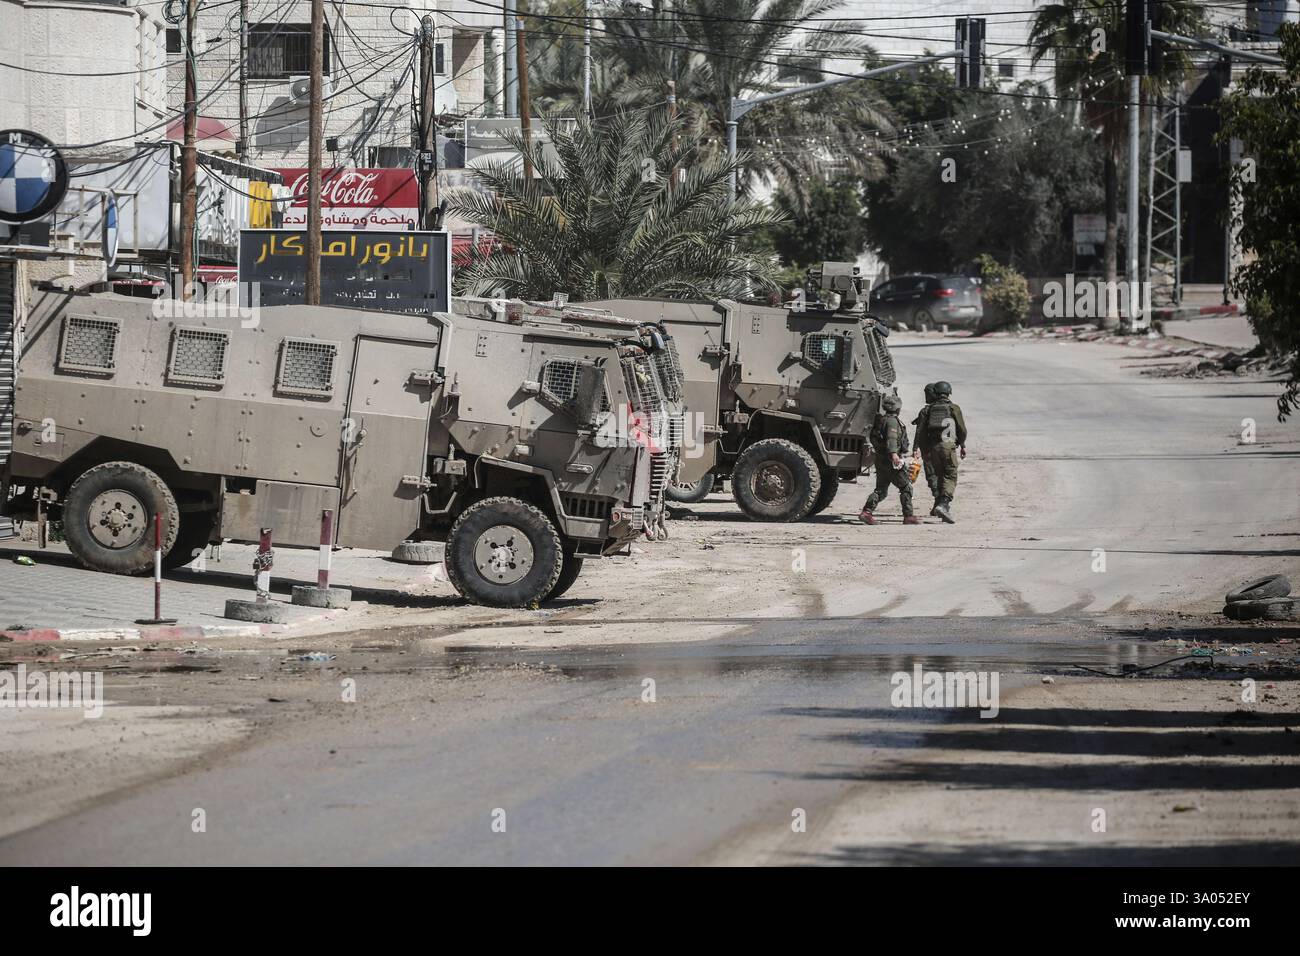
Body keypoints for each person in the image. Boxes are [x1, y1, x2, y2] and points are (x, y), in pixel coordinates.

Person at [913, 380, 967, 523]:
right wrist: (962, 444)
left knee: (939, 476)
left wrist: (924, 451)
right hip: (948, 447)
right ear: (949, 392)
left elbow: (921, 433)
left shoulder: (927, 410)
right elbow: (961, 429)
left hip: (933, 448)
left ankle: (940, 506)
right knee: (950, 475)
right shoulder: (954, 408)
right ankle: (943, 504)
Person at [860, 393, 918, 525]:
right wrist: (894, 455)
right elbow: (891, 439)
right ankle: (908, 516)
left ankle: (866, 512)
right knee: (906, 487)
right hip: (891, 460)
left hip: (881, 459)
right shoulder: (892, 421)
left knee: (881, 490)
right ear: (897, 408)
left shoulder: (881, 419)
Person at [912, 383, 940, 506]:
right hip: (946, 449)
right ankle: (941, 502)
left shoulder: (926, 411)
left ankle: (939, 502)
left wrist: (915, 448)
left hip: (929, 449)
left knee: (932, 476)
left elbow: (920, 431)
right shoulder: (949, 409)